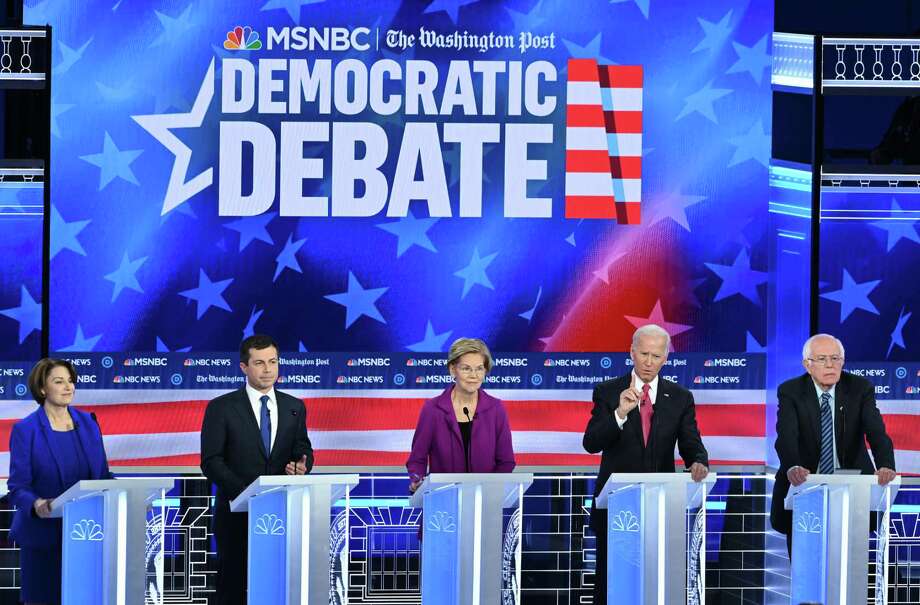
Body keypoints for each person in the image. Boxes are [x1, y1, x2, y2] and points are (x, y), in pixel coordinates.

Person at [582, 324, 709, 604]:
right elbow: (591, 443)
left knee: (655, 582)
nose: (649, 362)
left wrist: (698, 462)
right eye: (643, 354)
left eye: (656, 355)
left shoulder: (680, 397)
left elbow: (691, 443)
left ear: (666, 357)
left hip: (660, 507)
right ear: (631, 352)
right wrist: (619, 413)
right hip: (615, 508)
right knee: (611, 583)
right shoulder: (608, 391)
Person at [200, 334, 314, 605]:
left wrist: (303, 464)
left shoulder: (294, 407)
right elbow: (211, 461)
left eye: (273, 362)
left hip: (282, 514)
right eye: (260, 363)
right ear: (244, 367)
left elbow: (304, 449)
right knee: (233, 588)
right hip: (235, 515)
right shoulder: (221, 407)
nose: (268, 369)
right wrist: (248, 493)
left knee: (279, 586)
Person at [770, 334, 896, 557]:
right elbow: (786, 436)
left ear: (843, 362)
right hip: (805, 487)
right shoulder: (791, 391)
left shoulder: (860, 388)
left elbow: (876, 432)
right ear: (807, 365)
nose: (830, 365)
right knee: (806, 564)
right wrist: (792, 466)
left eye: (836, 358)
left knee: (849, 564)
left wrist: (885, 465)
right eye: (822, 359)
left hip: (851, 491)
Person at [7, 358, 113, 605]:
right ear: (42, 389)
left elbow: (103, 476)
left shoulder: (88, 423)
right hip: (43, 538)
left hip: (88, 535)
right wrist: (36, 503)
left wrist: (131, 495)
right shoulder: (26, 430)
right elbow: (18, 487)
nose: (69, 387)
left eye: (70, 381)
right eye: (59, 381)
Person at [407, 337, 515, 494]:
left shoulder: (495, 409)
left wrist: (490, 491)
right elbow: (417, 459)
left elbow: (506, 461)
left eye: (479, 368)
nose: (474, 375)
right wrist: (417, 480)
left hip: (484, 502)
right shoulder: (432, 409)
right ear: (452, 370)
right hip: (442, 500)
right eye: (466, 368)